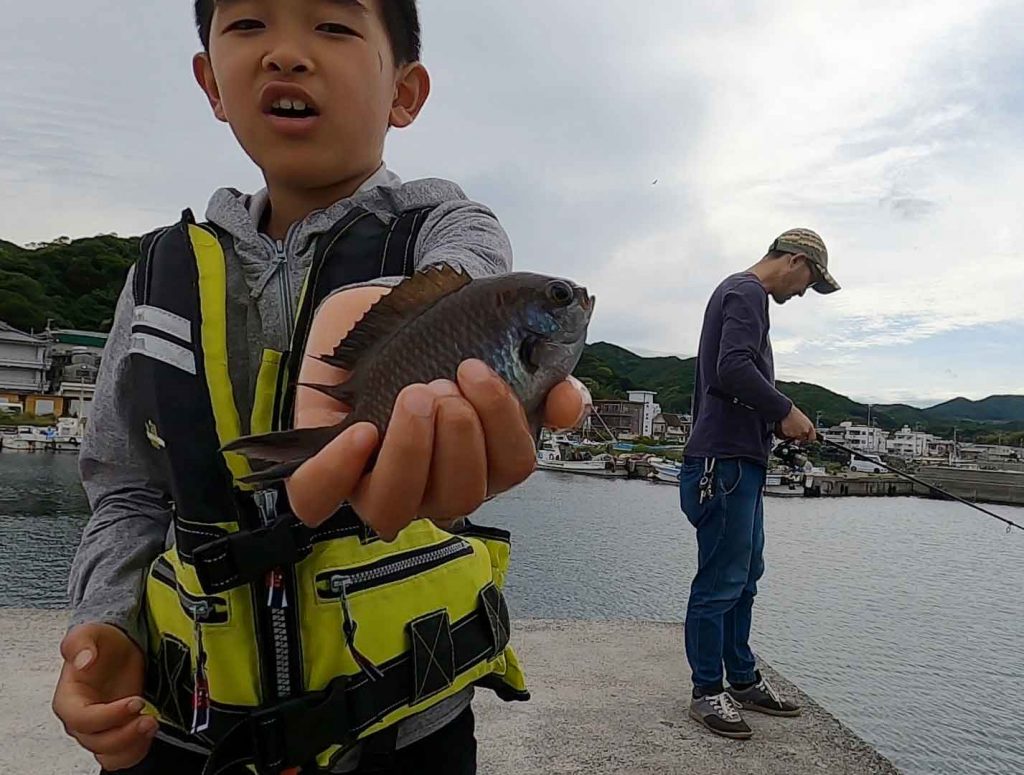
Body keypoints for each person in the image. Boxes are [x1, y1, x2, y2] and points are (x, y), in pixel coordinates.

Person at [51, 2, 588, 773]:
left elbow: (475, 263)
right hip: (186, 730)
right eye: (247, 26)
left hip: (405, 734)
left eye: (333, 27)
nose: (286, 55)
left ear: (404, 93)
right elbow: (128, 489)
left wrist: (438, 312)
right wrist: (104, 625)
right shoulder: (159, 275)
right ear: (210, 82)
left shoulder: (442, 228)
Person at [680, 228, 840, 739]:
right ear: (794, 261)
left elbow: (736, 378)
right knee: (720, 581)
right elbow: (731, 369)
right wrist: (785, 408)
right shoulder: (745, 292)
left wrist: (779, 419)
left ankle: (742, 678)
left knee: (745, 574)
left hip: (741, 459)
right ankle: (707, 690)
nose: (801, 294)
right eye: (809, 281)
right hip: (722, 462)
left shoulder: (743, 296)